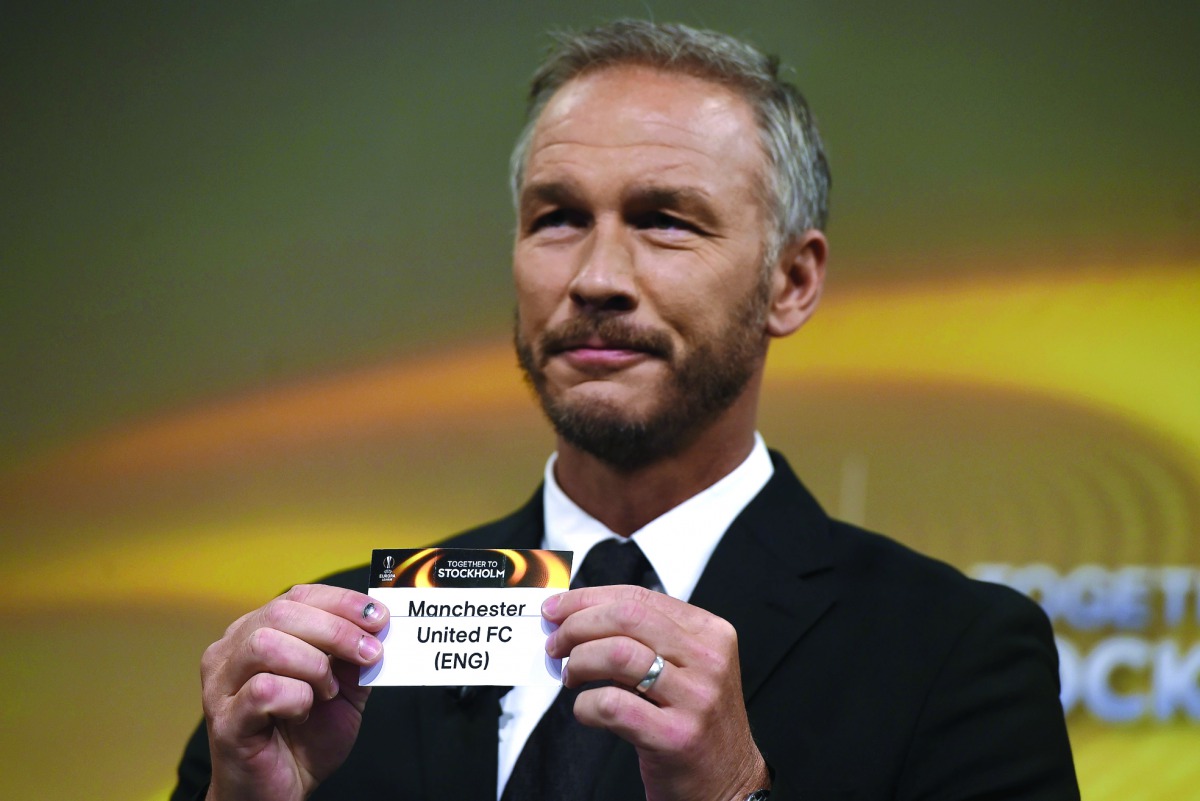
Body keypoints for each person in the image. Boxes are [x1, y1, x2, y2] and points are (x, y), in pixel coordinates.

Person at [173, 19, 1079, 801]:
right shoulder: (333, 652)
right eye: (558, 217)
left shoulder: (952, 651)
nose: (596, 278)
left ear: (792, 282)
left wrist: (732, 794)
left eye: (666, 220)